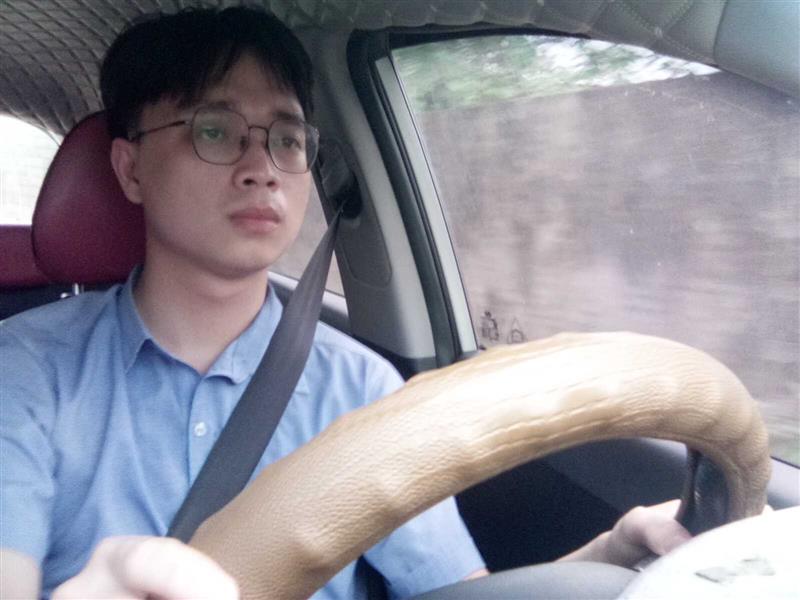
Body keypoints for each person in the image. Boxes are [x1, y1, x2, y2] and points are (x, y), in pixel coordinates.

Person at [0, 7, 690, 599]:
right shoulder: (25, 370)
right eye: (214, 129)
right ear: (130, 169)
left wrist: (612, 555)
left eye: (287, 139)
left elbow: (459, 593)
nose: (261, 167)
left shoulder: (361, 391)